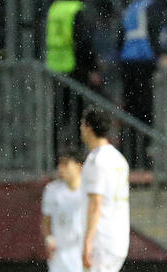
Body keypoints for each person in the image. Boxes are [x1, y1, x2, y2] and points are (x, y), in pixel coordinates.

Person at [80, 106, 155, 272]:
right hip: (118, 233)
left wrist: (87, 240)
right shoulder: (118, 159)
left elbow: (95, 204)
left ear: (88, 127)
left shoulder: (96, 161)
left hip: (102, 235)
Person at [117, 0, 167, 169]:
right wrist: (161, 54)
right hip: (143, 62)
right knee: (145, 112)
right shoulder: (153, 6)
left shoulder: (133, 7)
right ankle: (142, 157)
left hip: (128, 63)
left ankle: (130, 155)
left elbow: (120, 37)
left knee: (131, 112)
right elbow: (154, 30)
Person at [45, 0, 101, 156]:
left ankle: (55, 154)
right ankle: (77, 153)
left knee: (59, 114)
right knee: (78, 113)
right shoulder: (75, 9)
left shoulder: (54, 8)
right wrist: (92, 67)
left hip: (56, 67)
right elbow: (83, 42)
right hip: (73, 66)